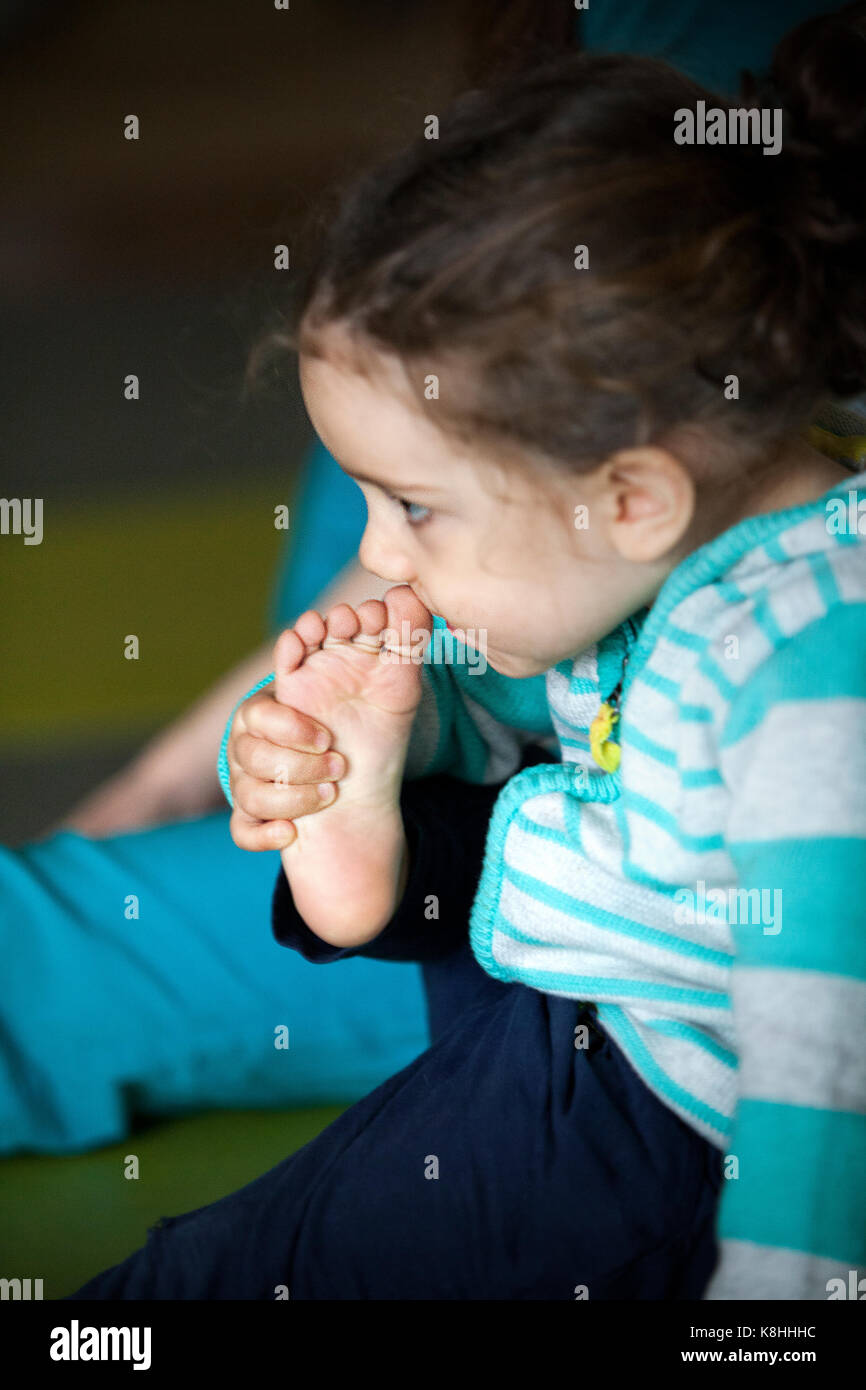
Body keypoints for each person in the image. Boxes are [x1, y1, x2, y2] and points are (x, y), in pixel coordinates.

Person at [67, 2, 866, 1298]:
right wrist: (367, 735)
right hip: (551, 1042)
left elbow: (831, 1088)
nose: (378, 555)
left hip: (653, 1150)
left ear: (628, 495)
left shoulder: (815, 675)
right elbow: (519, 695)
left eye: (414, 508)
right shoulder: (675, 551)